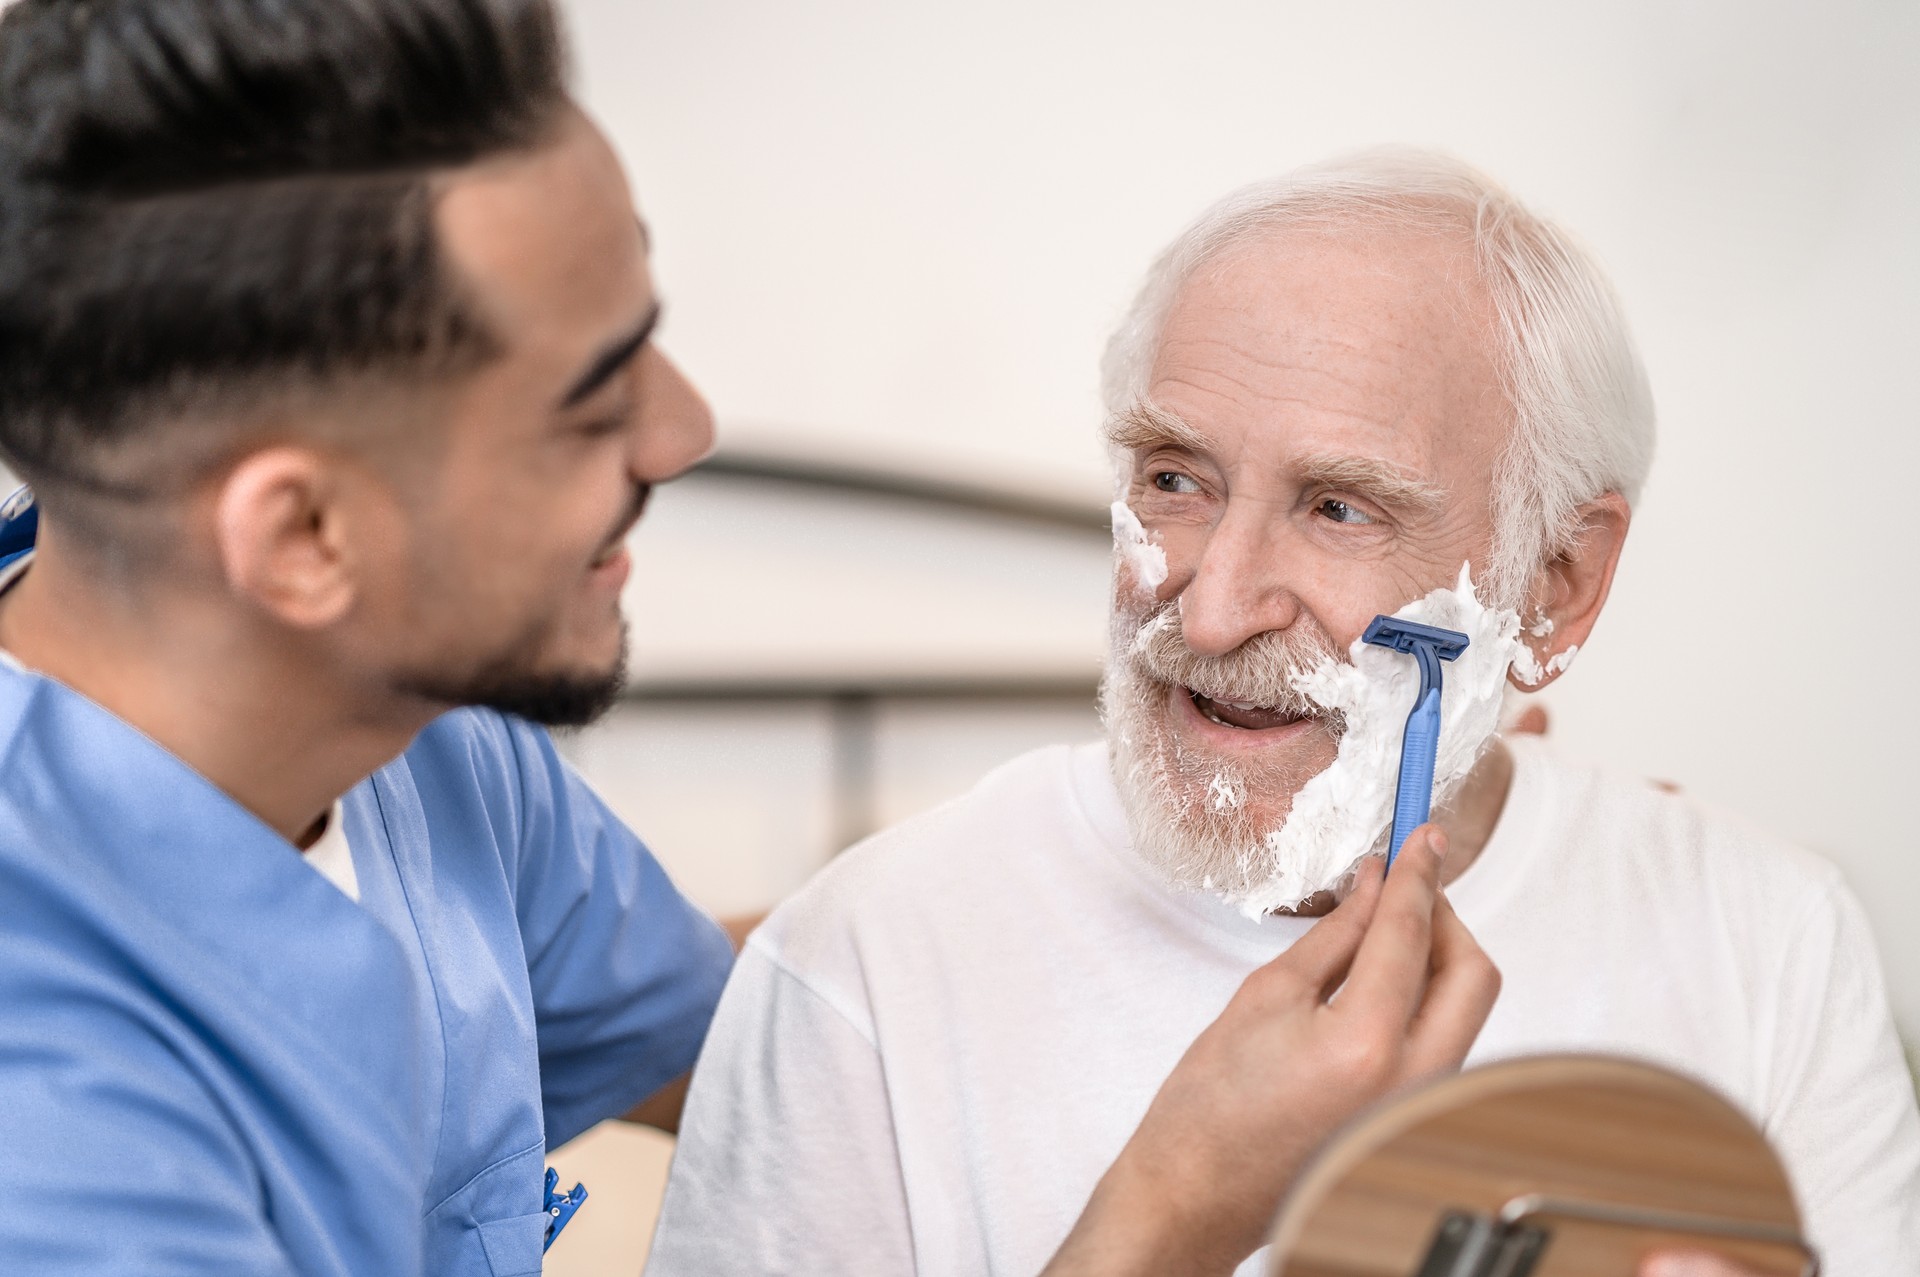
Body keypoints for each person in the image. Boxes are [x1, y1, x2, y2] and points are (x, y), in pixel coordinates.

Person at [0, 3, 1500, 1273]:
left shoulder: (414, 747)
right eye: (594, 398)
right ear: (304, 540)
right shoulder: (59, 1153)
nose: (686, 425)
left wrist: (1195, 883)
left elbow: (769, 1024)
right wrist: (1168, 1213)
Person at [650, 151, 1920, 1274]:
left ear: (1558, 584)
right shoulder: (862, 965)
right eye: (1175, 478)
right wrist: (1180, 1215)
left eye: (1339, 506)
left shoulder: (1772, 938)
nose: (1209, 613)